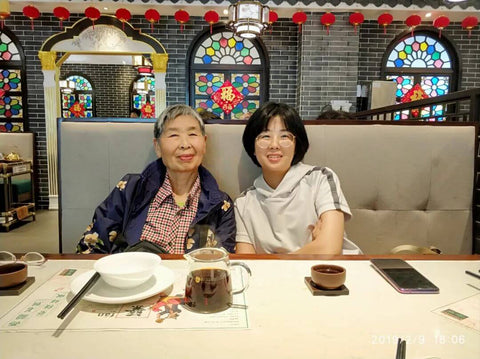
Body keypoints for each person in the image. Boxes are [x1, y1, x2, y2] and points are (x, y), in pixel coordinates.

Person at [77, 104, 235, 254]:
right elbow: (91, 247)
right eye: (173, 135)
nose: (185, 144)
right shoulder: (131, 189)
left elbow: (222, 263)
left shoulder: (221, 205)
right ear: (157, 147)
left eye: (192, 134)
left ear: (204, 143)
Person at [234, 102, 361, 255]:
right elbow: (247, 263)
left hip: (330, 273)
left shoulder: (319, 179)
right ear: (253, 148)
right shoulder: (243, 203)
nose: (274, 145)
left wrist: (275, 262)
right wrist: (312, 249)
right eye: (265, 136)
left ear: (296, 144)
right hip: (275, 278)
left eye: (285, 136)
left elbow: (329, 247)